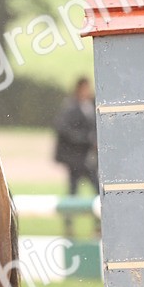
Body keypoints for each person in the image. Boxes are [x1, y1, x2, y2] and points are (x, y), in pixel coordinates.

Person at [54, 77, 98, 233]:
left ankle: (98, 226)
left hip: (88, 159)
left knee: (97, 190)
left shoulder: (91, 105)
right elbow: (64, 130)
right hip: (75, 159)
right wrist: (87, 139)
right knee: (73, 193)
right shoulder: (71, 107)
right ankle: (69, 225)